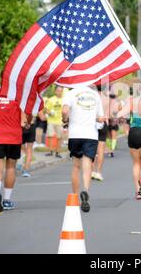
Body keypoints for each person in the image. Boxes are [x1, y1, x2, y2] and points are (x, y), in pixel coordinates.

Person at [0, 90, 31, 212]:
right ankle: (7, 200)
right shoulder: (19, 96)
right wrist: (26, 123)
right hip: (14, 137)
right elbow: (24, 120)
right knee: (10, 168)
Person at [62, 85, 105, 213]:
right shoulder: (95, 95)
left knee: (76, 166)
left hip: (75, 134)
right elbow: (101, 118)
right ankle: (85, 190)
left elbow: (65, 111)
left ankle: (75, 197)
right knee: (87, 165)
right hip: (90, 134)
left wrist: (65, 119)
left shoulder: (71, 94)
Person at [117, 87, 141, 200]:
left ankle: (137, 191)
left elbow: (120, 114)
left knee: (136, 163)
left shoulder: (132, 102)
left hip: (134, 132)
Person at [91, 85, 110, 182]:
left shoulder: (92, 97)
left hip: (93, 123)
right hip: (103, 123)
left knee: (91, 148)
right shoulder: (106, 98)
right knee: (101, 149)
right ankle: (98, 172)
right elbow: (108, 113)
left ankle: (91, 171)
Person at [45, 86, 64, 158]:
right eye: (58, 91)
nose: (59, 92)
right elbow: (46, 109)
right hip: (51, 121)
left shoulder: (64, 100)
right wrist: (50, 113)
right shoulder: (51, 99)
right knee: (50, 136)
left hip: (60, 121)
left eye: (61, 91)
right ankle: (50, 151)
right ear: (55, 91)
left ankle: (57, 152)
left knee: (59, 137)